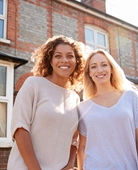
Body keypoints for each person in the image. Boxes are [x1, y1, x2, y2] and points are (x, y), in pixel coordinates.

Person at [7, 35, 86, 170]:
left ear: (77, 61)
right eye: (58, 56)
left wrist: (69, 164)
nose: (64, 60)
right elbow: (20, 128)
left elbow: (74, 139)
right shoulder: (34, 84)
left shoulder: (75, 98)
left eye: (70, 56)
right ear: (50, 60)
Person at [77, 49, 138, 170]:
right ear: (89, 73)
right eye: (93, 67)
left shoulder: (131, 96)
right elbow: (82, 147)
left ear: (111, 69)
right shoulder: (82, 107)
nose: (99, 70)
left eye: (104, 65)